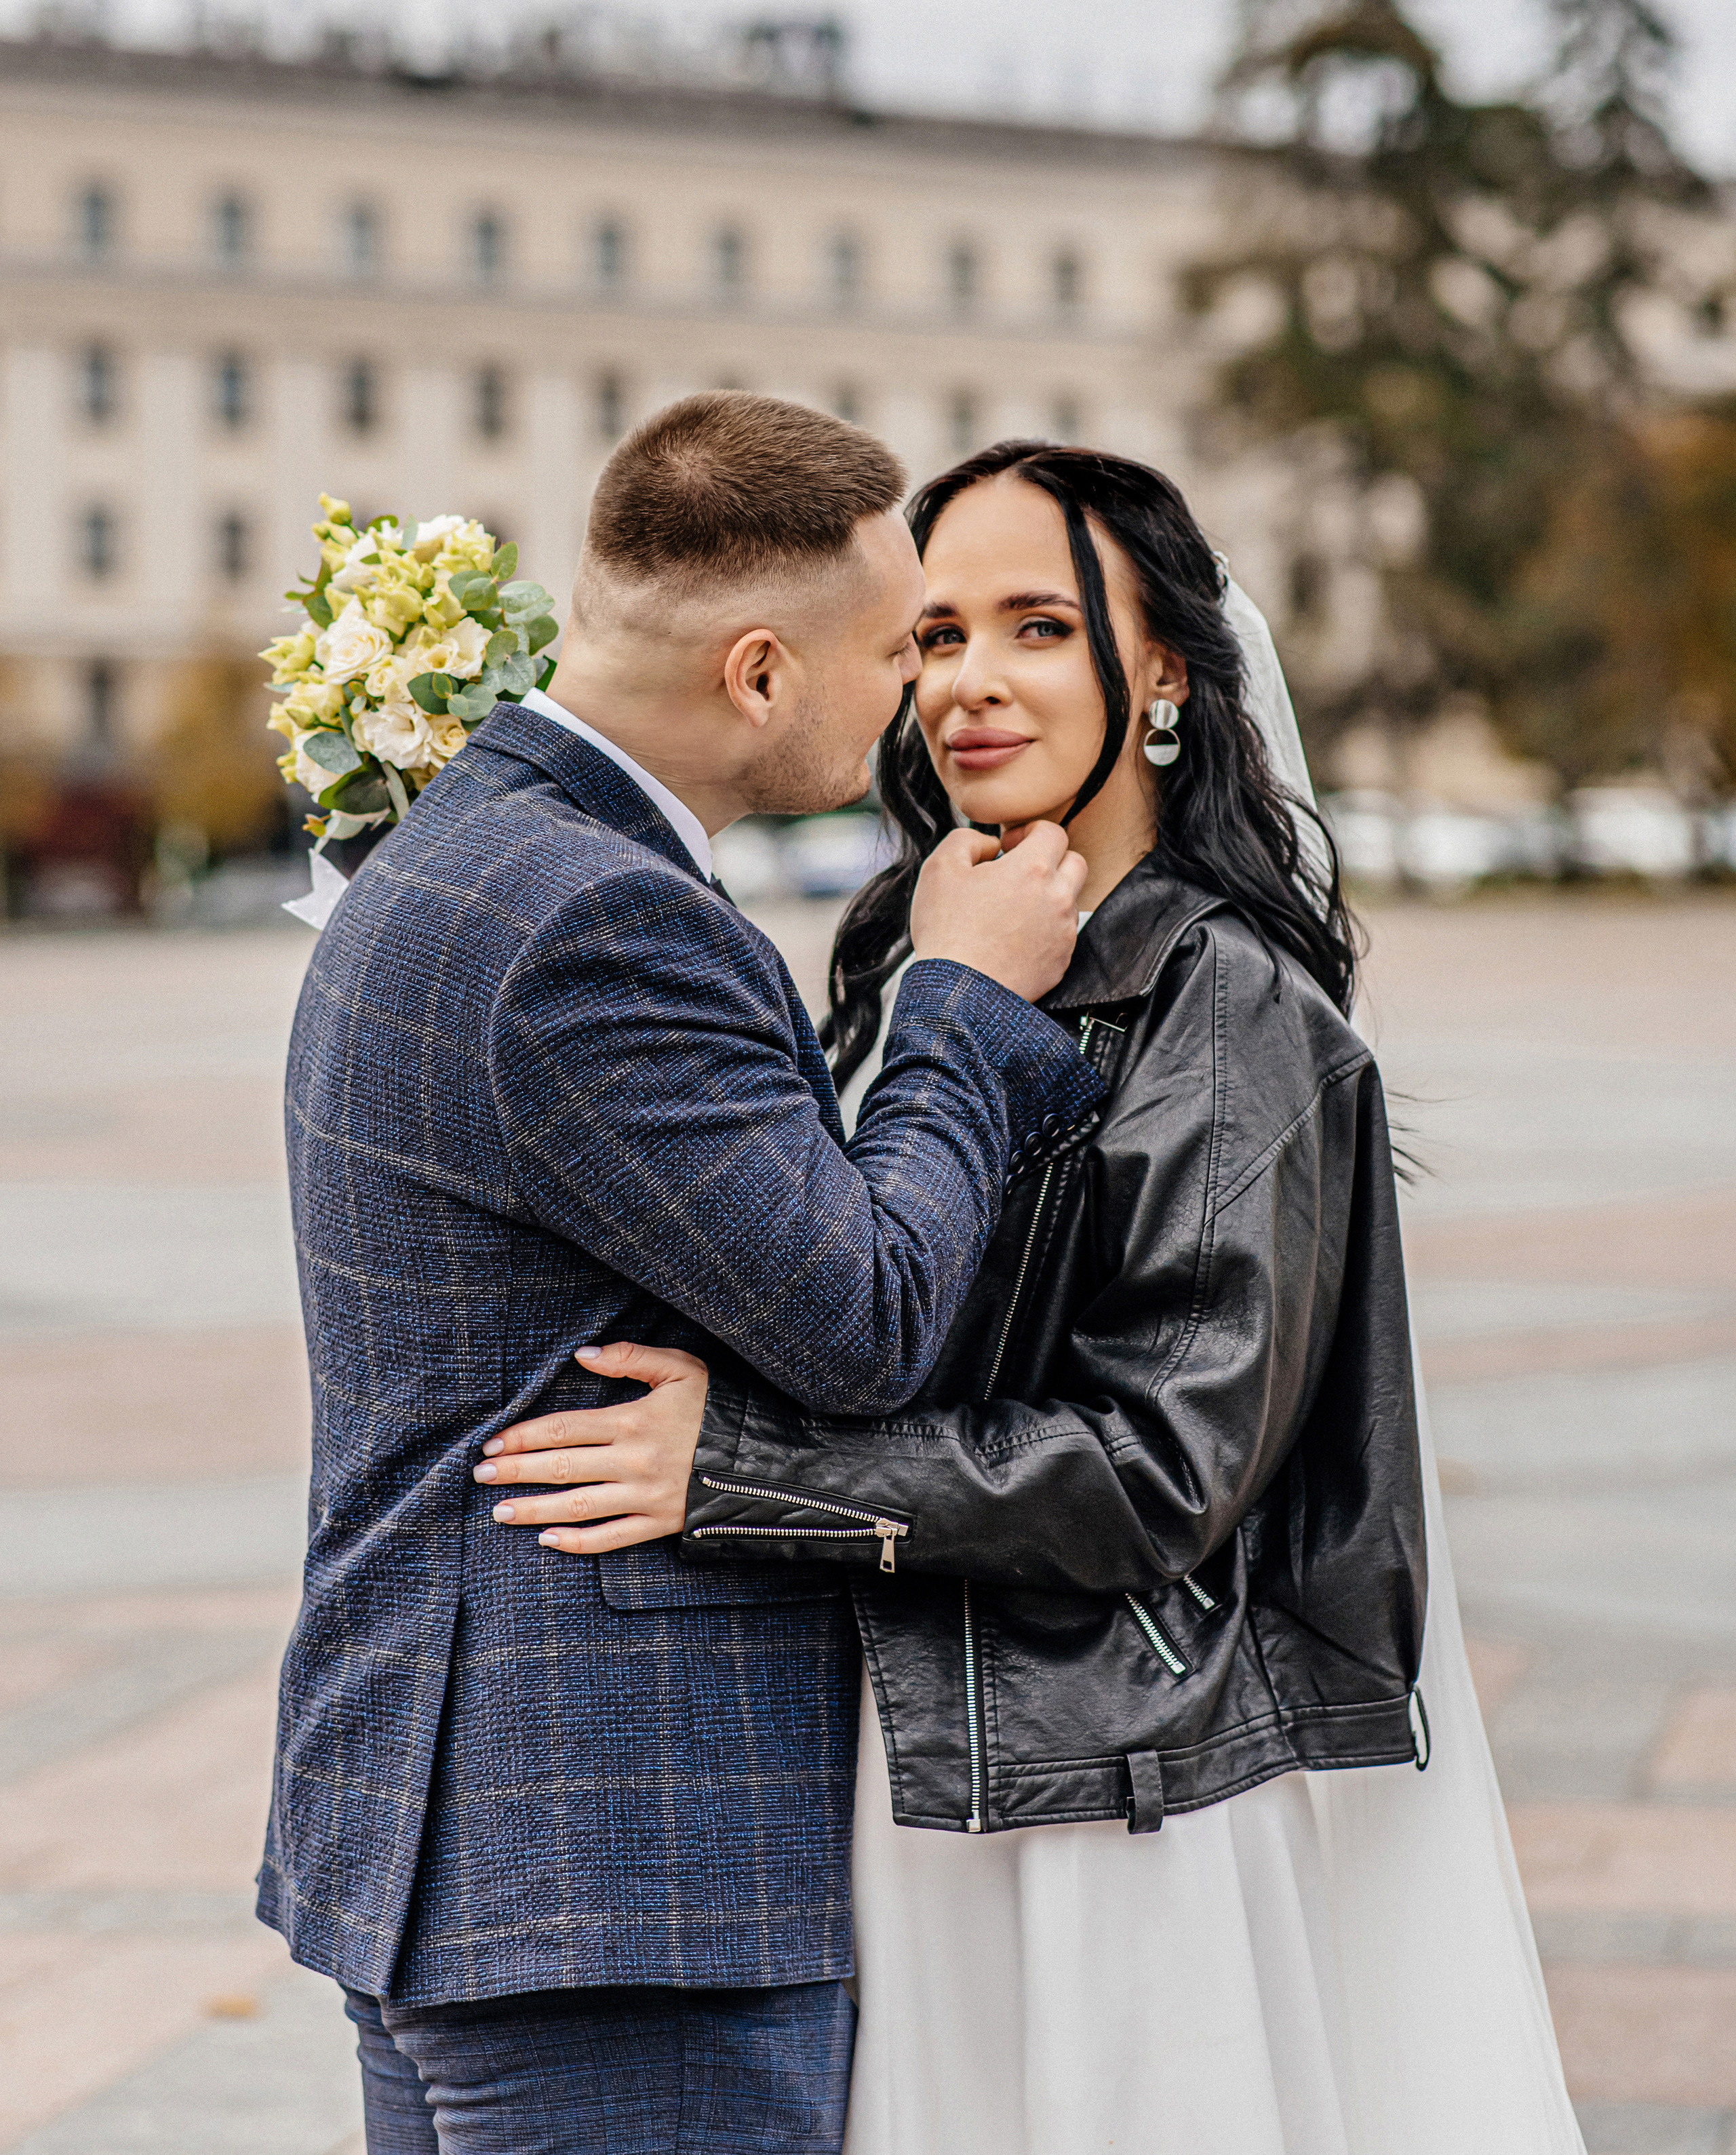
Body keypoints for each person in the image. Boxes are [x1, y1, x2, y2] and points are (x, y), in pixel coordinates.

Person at [487, 441, 1585, 2154]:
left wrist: (737, 1474)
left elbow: (1165, 1468)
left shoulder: (1229, 1009)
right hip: (915, 1757)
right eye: (930, 636)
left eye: (1033, 628)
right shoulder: (897, 950)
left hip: (1117, 1800)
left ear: (1156, 671)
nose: (968, 683)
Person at [258, 396, 1107, 2155]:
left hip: (480, 1849)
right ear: (758, 673)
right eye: (893, 651)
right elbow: (865, 1316)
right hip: (619, 1871)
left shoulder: (456, 853)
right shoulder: (596, 917)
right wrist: (966, 998)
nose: (920, 701)